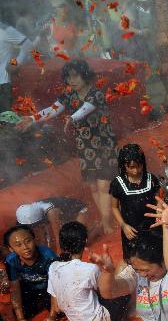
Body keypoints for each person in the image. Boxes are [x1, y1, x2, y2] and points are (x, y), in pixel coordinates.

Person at [15, 59, 119, 233]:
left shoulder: (96, 93)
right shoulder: (68, 94)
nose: (72, 81)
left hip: (103, 144)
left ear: (84, 75)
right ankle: (105, 219)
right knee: (93, 186)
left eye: (75, 76)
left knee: (103, 185)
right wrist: (33, 118)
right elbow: (53, 108)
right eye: (69, 77)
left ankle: (108, 223)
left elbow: (86, 108)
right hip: (85, 146)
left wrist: (72, 118)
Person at [46, 221, 130, 321]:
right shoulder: (90, 268)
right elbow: (108, 291)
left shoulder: (53, 267)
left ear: (61, 244)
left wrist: (52, 315)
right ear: (85, 241)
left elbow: (55, 303)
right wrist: (110, 271)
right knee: (123, 290)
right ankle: (134, 310)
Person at [110, 144, 161, 261]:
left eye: (139, 166)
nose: (136, 170)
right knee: (134, 259)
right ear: (123, 166)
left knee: (155, 257)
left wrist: (158, 215)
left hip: (152, 227)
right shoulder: (117, 184)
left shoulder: (151, 179)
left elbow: (158, 200)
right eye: (131, 167)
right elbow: (114, 207)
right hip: (131, 230)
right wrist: (123, 225)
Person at [4, 225, 56, 321]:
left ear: (34, 239)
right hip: (29, 288)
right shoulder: (11, 261)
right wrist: (20, 318)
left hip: (49, 289)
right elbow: (15, 289)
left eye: (28, 241)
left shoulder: (48, 256)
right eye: (18, 245)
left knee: (62, 311)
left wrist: (52, 315)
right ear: (11, 249)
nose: (25, 247)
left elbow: (56, 286)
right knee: (23, 313)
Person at [14, 196, 91, 253]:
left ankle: (96, 229)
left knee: (79, 244)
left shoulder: (51, 212)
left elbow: (58, 236)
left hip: (77, 210)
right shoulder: (23, 216)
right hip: (62, 215)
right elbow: (41, 238)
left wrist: (59, 254)